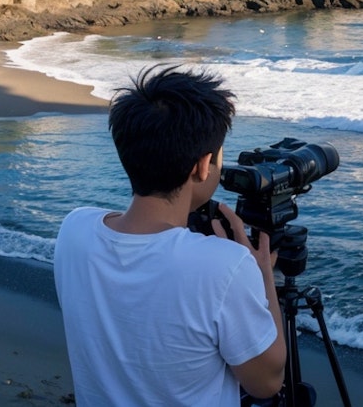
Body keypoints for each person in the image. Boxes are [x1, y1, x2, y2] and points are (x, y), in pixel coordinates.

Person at [54, 64, 286, 406]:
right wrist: (262, 271)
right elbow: (266, 383)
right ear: (203, 166)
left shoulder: (74, 230)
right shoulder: (225, 267)